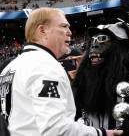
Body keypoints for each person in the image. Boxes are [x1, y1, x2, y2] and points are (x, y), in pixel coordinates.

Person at [0, 7, 122, 136]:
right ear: (42, 30)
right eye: (64, 26)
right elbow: (56, 129)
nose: (69, 32)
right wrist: (101, 133)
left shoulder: (10, 67)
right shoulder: (45, 66)